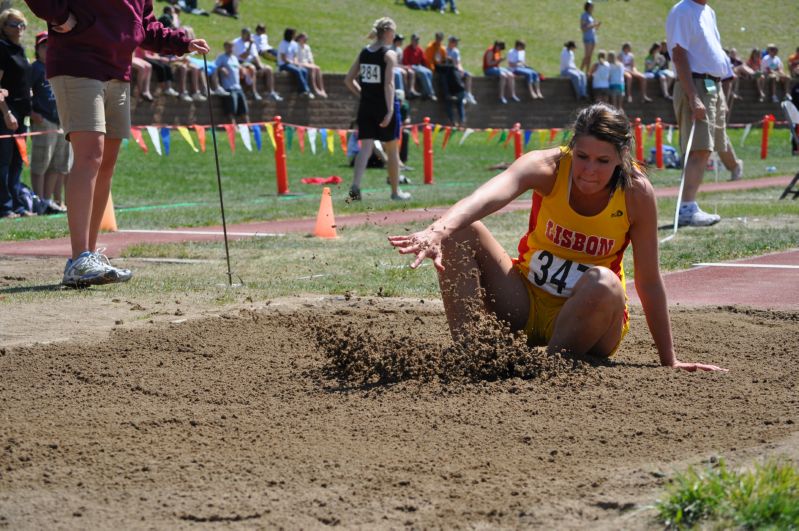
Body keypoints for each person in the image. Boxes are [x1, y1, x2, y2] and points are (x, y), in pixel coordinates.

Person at [388, 103, 726, 372]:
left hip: (591, 320)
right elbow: (488, 195)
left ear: (622, 158)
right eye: (582, 157)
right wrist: (438, 230)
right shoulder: (547, 167)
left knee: (604, 281)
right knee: (461, 229)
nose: (589, 171)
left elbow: (649, 281)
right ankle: (470, 354)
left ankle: (545, 365)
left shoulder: (636, 193)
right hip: (525, 302)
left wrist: (669, 359)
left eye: (602, 161)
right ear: (571, 147)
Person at [23, 0, 209, 287]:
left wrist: (183, 43)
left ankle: (89, 258)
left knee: (106, 164)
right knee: (90, 156)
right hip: (78, 63)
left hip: (117, 71)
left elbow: (145, 26)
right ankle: (78, 258)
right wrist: (59, 16)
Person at [666, 0, 733, 226]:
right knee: (698, 148)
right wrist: (693, 96)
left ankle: (689, 206)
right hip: (696, 84)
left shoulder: (708, 11)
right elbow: (678, 54)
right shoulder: (683, 10)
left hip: (711, 85)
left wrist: (720, 92)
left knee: (706, 149)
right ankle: (686, 208)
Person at [344, 17, 411, 202]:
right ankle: (396, 192)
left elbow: (348, 80)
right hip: (383, 106)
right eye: (394, 32)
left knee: (365, 147)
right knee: (391, 149)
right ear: (388, 32)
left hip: (365, 106)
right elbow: (389, 84)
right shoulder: (389, 54)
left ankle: (355, 187)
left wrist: (363, 96)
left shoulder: (364, 52)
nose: (395, 36)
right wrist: (390, 110)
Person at [30, 31, 71, 213]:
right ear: (37, 49)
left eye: (50, 45)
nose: (48, 49)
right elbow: (24, 92)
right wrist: (31, 113)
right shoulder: (35, 69)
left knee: (57, 163)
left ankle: (48, 200)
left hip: (60, 120)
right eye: (44, 46)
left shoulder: (59, 67)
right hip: (43, 120)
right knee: (41, 162)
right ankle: (37, 201)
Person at [0, 9, 33, 219]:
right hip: (6, 114)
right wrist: (6, 113)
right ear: (3, 27)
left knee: (17, 161)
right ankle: (4, 206)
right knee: (3, 160)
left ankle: (17, 205)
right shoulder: (2, 49)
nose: (19, 28)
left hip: (22, 114)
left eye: (22, 24)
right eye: (14, 24)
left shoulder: (19, 49)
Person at [233, 27, 281, 101]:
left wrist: (260, 65)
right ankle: (253, 92)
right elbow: (243, 56)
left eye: (249, 35)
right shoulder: (237, 43)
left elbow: (256, 56)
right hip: (241, 63)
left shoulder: (251, 43)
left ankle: (271, 92)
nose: (249, 37)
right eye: (247, 35)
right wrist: (250, 46)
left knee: (268, 69)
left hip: (251, 62)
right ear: (242, 34)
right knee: (252, 68)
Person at [216, 41, 250, 124]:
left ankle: (249, 127)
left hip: (238, 87)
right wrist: (221, 69)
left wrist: (241, 70)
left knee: (244, 109)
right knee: (231, 110)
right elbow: (214, 67)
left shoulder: (234, 58)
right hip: (229, 88)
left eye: (232, 47)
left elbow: (238, 68)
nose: (231, 49)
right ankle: (233, 127)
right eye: (229, 47)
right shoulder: (221, 58)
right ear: (225, 47)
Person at [277, 27, 313, 98]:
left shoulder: (294, 44)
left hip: (292, 63)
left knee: (304, 70)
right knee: (298, 71)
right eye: (294, 34)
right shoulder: (283, 44)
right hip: (284, 64)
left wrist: (296, 63)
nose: (295, 36)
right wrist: (291, 63)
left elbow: (295, 56)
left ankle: (301, 91)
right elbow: (283, 58)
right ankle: (306, 90)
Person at [403, 34, 435, 100]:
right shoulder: (407, 49)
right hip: (411, 66)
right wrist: (410, 67)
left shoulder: (419, 49)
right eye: (415, 40)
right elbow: (405, 62)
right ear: (411, 40)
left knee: (429, 72)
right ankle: (430, 93)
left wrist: (426, 67)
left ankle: (425, 92)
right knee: (423, 72)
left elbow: (423, 60)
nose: (417, 41)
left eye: (418, 40)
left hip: (418, 66)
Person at [446, 35, 476, 104]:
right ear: (451, 42)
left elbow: (458, 63)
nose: (456, 43)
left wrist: (461, 70)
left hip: (456, 69)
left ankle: (468, 94)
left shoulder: (456, 51)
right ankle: (462, 96)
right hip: (450, 71)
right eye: (455, 42)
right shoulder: (445, 50)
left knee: (468, 75)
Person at [296, 32, 327, 98]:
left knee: (317, 68)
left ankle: (322, 89)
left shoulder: (307, 47)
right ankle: (314, 88)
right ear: (299, 39)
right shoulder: (296, 46)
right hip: (300, 63)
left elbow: (310, 59)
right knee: (312, 69)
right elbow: (296, 59)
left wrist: (312, 64)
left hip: (306, 63)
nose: (305, 40)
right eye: (304, 39)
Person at [579, 1, 600, 73]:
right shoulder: (584, 15)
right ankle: (580, 70)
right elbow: (583, 28)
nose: (592, 8)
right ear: (587, 7)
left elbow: (593, 28)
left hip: (593, 37)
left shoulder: (590, 16)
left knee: (590, 56)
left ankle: (587, 72)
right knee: (587, 55)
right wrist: (593, 25)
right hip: (587, 38)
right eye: (591, 6)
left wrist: (597, 26)